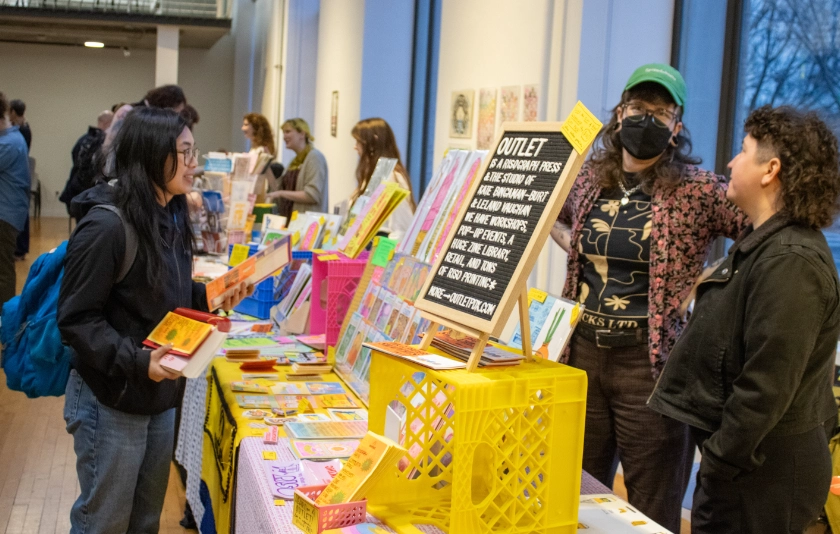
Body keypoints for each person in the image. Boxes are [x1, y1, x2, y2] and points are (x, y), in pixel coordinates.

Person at [552, 63, 746, 532]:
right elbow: (549, 216)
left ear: (677, 126)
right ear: (620, 113)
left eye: (661, 112)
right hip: (581, 355)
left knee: (651, 505)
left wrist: (706, 281)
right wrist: (571, 241)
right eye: (639, 107)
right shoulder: (587, 181)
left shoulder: (698, 190)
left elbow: (761, 231)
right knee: (579, 494)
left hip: (652, 367)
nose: (647, 120)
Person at [57, 107, 252, 534]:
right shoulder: (108, 227)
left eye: (192, 151)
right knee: (103, 523)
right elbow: (76, 319)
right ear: (150, 155)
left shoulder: (171, 214)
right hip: (111, 399)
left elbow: (170, 298)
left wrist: (216, 297)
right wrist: (139, 360)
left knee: (145, 521)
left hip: (159, 398)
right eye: (183, 153)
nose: (194, 164)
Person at [648, 105, 840, 532]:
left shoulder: (793, 262)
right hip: (746, 470)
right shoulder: (765, 243)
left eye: (742, 150)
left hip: (760, 476)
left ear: (771, 169)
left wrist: (718, 461)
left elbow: (765, 386)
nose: (731, 162)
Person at [350, 118, 415, 239]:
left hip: (381, 248)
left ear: (373, 141)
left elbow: (402, 226)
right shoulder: (373, 174)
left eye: (358, 141)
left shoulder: (392, 176)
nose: (355, 147)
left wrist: (385, 255)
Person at [0, 91, 29, 306]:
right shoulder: (11, 138)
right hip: (8, 213)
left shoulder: (8, 144)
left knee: (3, 270)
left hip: (4, 215)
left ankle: (5, 319)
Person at [267, 118, 328, 218]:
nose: (284, 136)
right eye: (283, 133)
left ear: (302, 134)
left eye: (288, 132)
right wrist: (266, 166)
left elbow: (312, 195)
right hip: (289, 222)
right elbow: (276, 192)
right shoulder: (293, 162)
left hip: (306, 225)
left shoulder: (315, 158)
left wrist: (281, 193)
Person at [60, 110, 113, 214]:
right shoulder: (101, 143)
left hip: (76, 190)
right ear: (108, 123)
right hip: (89, 193)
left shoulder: (83, 140)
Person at [9, 99, 31, 259]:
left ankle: (20, 249)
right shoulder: (24, 127)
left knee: (20, 215)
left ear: (13, 112)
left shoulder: (19, 131)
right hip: (20, 175)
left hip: (16, 177)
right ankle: (20, 249)